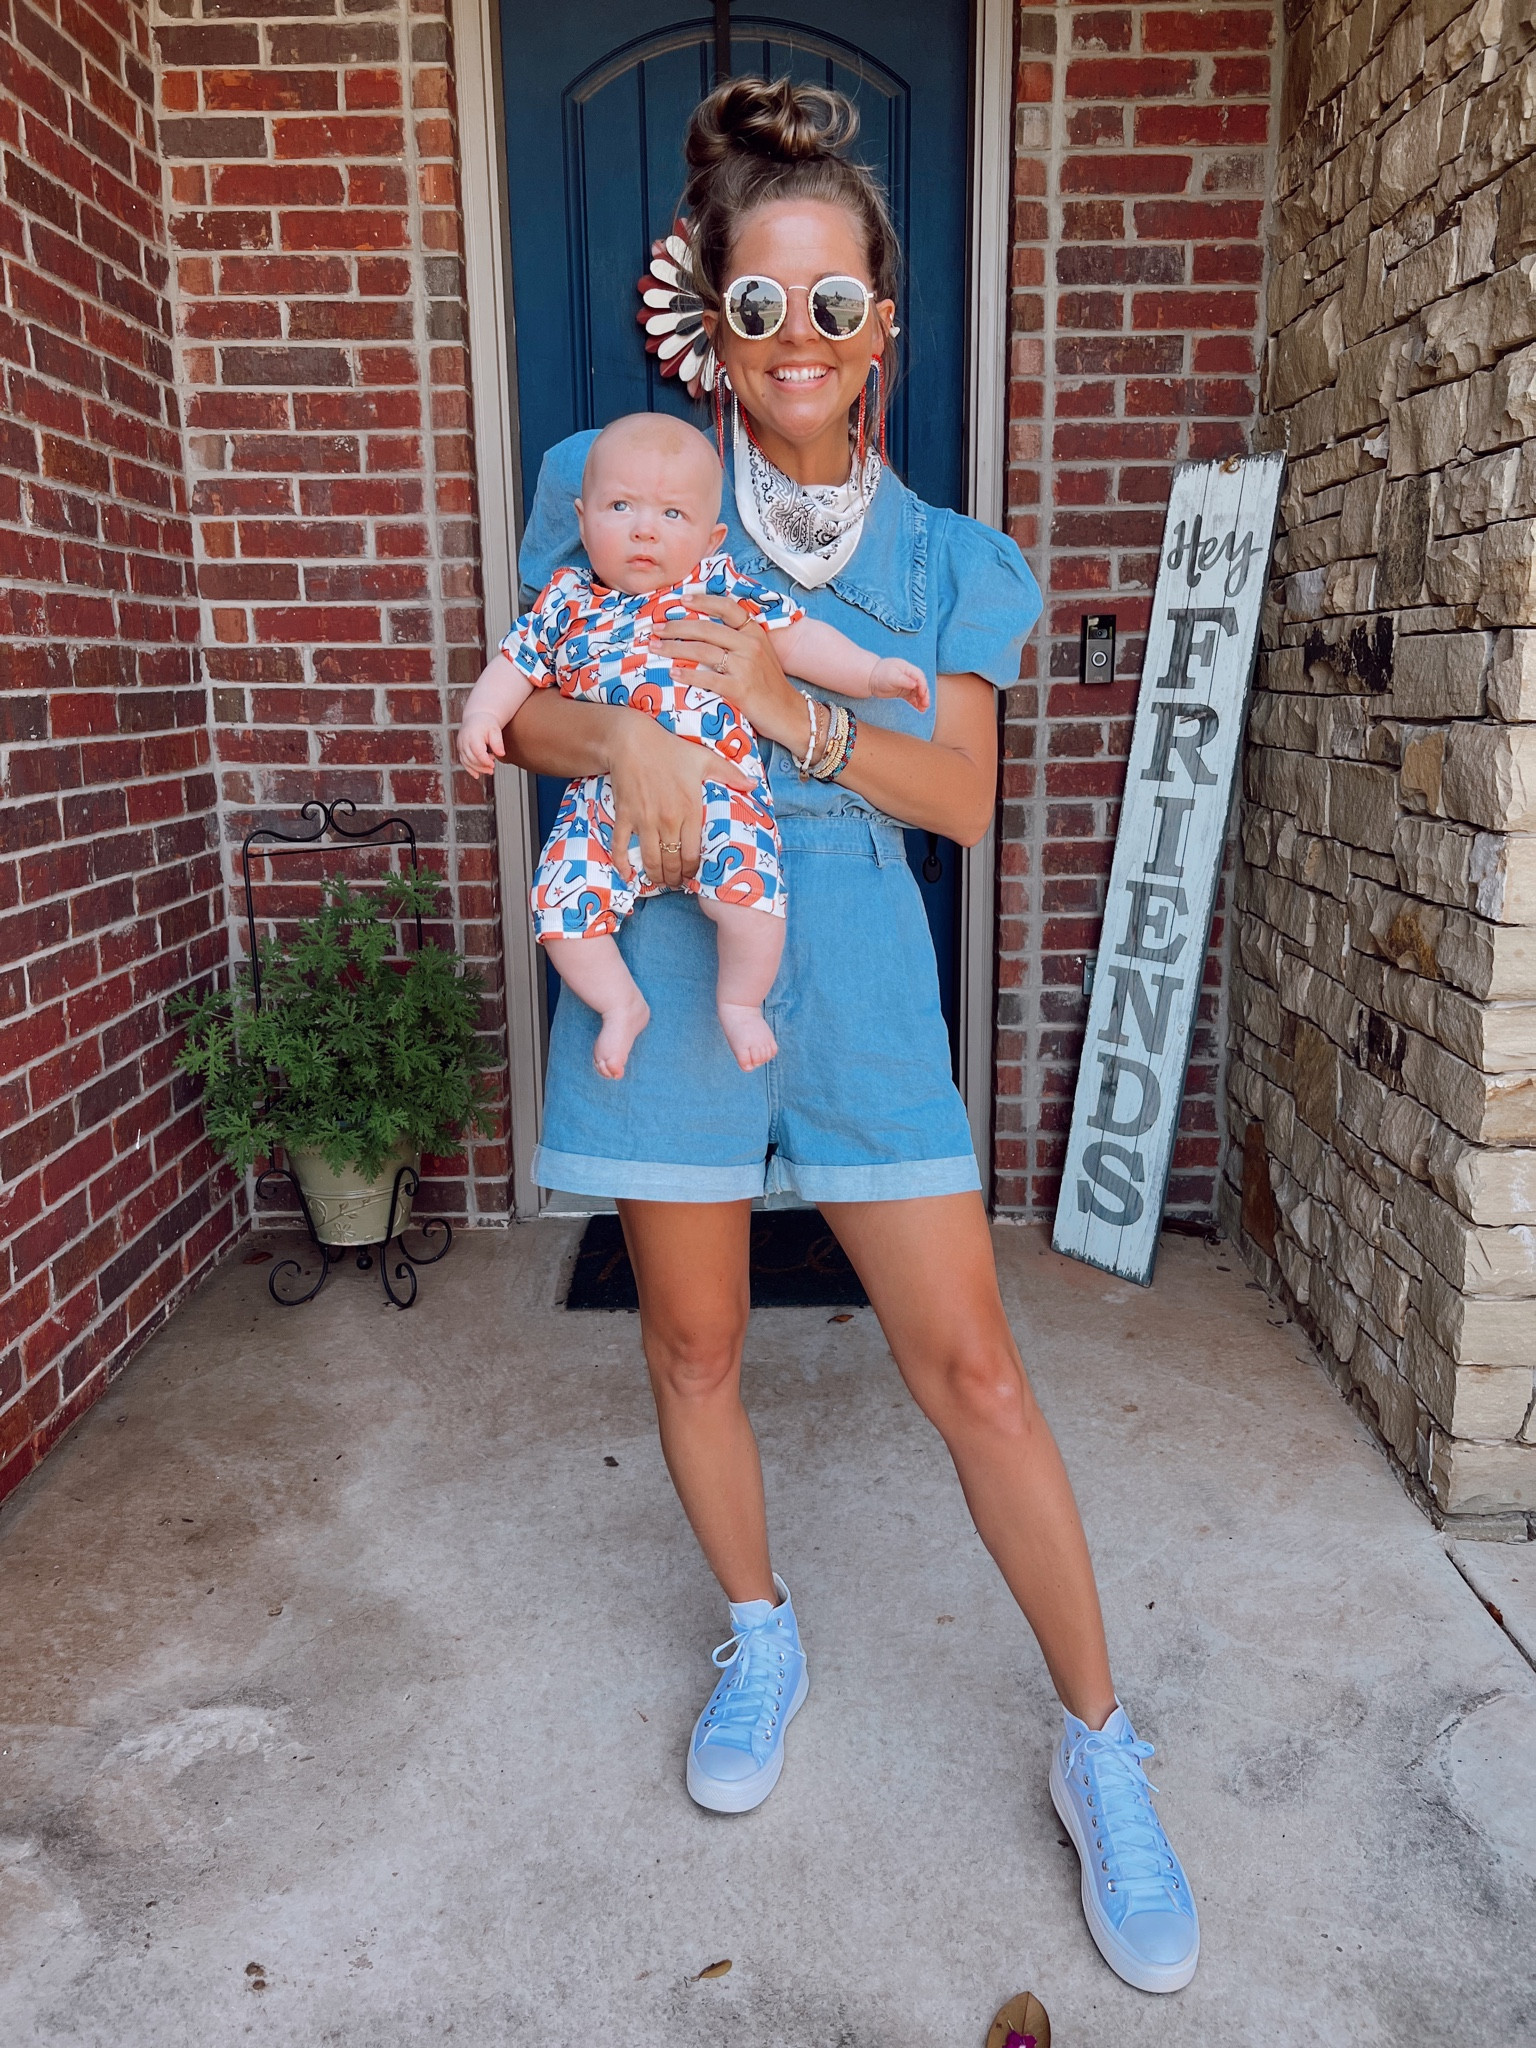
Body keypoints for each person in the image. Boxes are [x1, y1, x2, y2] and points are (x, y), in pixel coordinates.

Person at [501, 75, 1201, 1995]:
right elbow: (525, 706)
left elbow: (961, 795)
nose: (795, 339)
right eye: (759, 302)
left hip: (869, 988)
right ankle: (760, 1626)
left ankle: (1098, 1744)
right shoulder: (624, 478)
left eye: (834, 304)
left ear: (885, 322)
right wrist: (629, 731)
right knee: (696, 1335)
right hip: (669, 947)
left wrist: (795, 722)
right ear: (704, 320)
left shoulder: (944, 555)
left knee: (971, 1371)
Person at [456, 412, 928, 1078]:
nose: (644, 528)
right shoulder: (565, 602)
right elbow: (514, 667)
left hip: (722, 794)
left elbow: (800, 641)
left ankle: (739, 1002)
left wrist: (874, 672)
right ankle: (621, 1005)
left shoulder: (718, 588)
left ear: (711, 539)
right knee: (561, 912)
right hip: (605, 806)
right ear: (582, 518)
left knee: (753, 903)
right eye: (620, 506)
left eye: (672, 514)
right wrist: (481, 714)